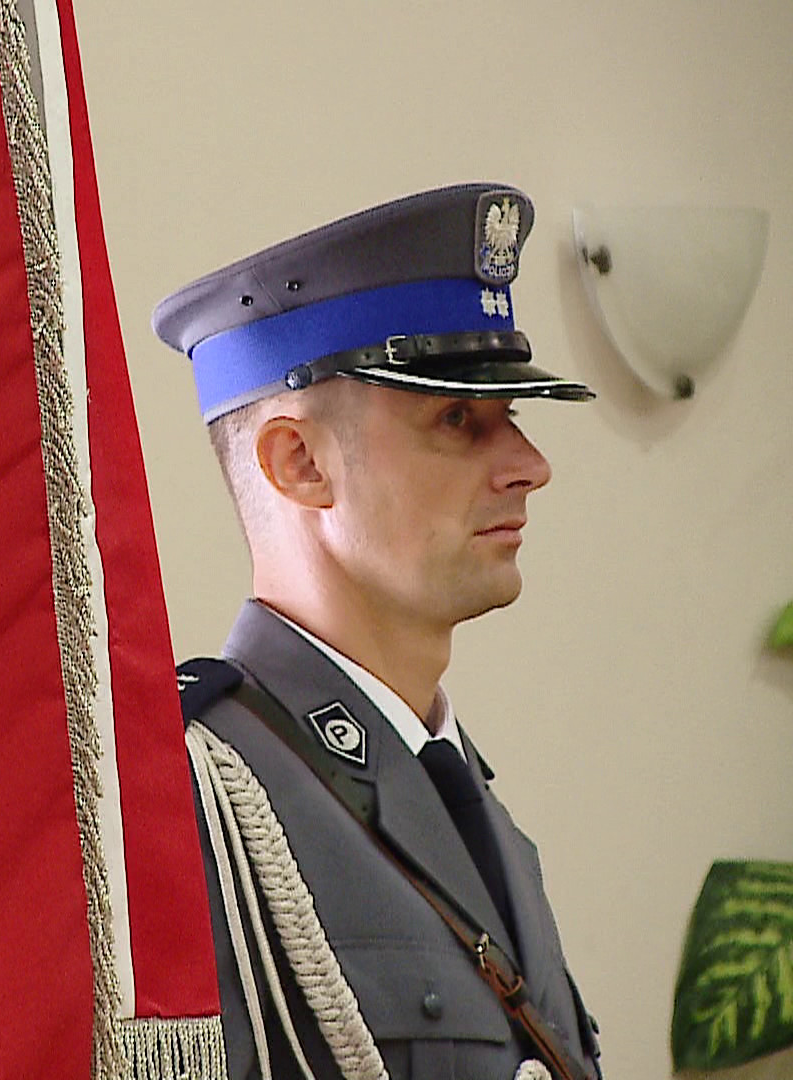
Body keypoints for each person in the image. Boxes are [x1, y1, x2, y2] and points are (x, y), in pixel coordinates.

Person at [151, 183, 604, 1080]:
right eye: (458, 419)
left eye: (512, 418)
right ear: (300, 462)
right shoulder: (194, 808)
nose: (530, 465)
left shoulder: (476, 815)